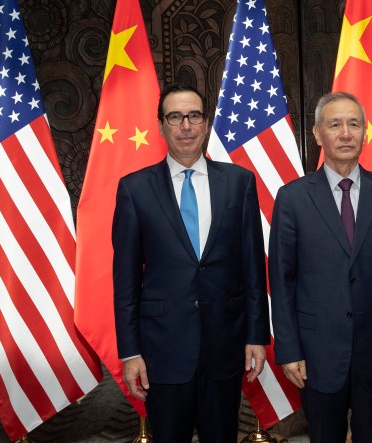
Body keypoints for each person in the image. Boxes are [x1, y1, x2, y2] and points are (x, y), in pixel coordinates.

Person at [112, 83, 269, 442]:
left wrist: (256, 336)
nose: (185, 125)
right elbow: (124, 281)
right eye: (175, 117)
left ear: (206, 122)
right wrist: (130, 351)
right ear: (162, 125)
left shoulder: (239, 183)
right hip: (161, 352)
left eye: (194, 116)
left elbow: (252, 269)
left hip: (225, 346)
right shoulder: (134, 190)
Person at [269, 92, 372, 442]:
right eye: (334, 124)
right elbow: (282, 279)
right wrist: (289, 348)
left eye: (354, 124)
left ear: (365, 133)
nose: (345, 133)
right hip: (317, 351)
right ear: (317, 134)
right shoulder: (292, 198)